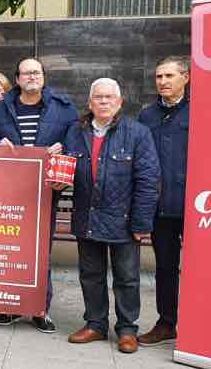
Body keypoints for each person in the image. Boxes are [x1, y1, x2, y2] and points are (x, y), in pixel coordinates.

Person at [58, 78, 159, 354]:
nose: (103, 101)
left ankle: (127, 330)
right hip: (86, 216)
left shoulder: (138, 133)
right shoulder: (75, 132)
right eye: (98, 97)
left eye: (109, 97)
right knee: (91, 275)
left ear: (119, 102)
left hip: (123, 220)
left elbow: (148, 180)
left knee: (127, 277)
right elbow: (65, 167)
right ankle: (95, 324)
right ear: (89, 103)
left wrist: (141, 223)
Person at [0, 57, 80, 332]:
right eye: (26, 73)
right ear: (17, 79)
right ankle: (9, 306)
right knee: (9, 250)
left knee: (40, 252)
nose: (31, 77)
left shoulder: (64, 109)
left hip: (45, 191)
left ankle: (39, 308)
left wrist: (65, 146)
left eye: (36, 72)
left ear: (44, 77)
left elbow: (76, 143)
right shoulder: (1, 109)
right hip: (8, 191)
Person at [137, 57, 190, 346]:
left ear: (186, 77)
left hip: (195, 206)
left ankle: (201, 323)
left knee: (201, 269)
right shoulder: (147, 116)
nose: (163, 82)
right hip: (160, 207)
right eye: (158, 77)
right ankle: (166, 323)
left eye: (169, 75)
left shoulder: (201, 111)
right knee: (165, 268)